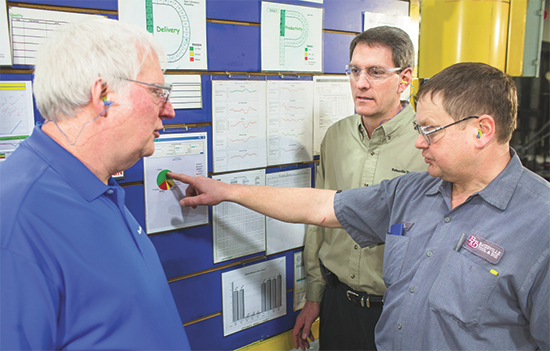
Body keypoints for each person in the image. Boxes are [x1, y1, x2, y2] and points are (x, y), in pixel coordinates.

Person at [169, 62, 550, 350]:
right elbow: (320, 207)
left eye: (430, 130)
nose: (419, 143)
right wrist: (227, 190)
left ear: (481, 130)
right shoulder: (413, 192)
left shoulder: (540, 224)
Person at [0, 18, 191, 350]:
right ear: (102, 94)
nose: (170, 110)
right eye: (157, 92)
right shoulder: (16, 218)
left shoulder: (97, 185)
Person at [293, 26, 426, 351]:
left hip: (400, 313)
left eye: (376, 72)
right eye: (355, 70)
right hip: (338, 305)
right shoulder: (336, 137)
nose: (361, 83)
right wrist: (314, 296)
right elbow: (318, 220)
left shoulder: (427, 145)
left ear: (405, 79)